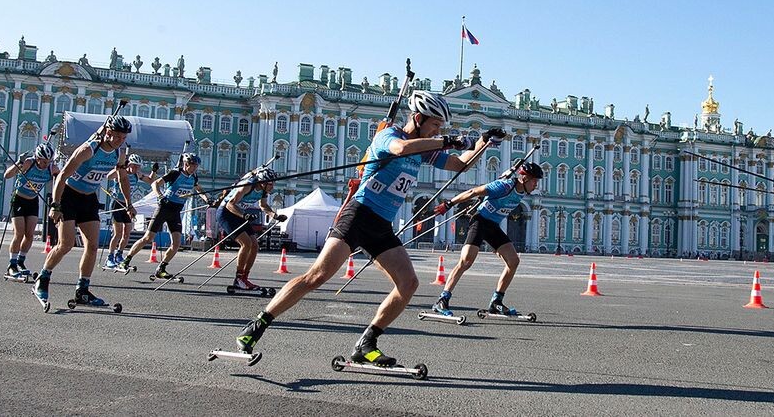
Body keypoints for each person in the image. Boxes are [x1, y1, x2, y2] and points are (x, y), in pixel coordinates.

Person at [232, 90, 503, 365]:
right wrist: (445, 141)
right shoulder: (390, 136)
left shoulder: (426, 150)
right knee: (316, 277)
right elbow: (400, 149)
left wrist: (482, 142)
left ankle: (367, 342)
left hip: (381, 225)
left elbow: (460, 164)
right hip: (358, 215)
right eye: (435, 125)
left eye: (440, 128)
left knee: (408, 283)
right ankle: (256, 326)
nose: (438, 130)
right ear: (419, 119)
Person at [34, 116, 132, 308]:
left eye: (124, 137)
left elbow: (122, 177)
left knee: (93, 246)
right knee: (66, 244)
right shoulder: (88, 149)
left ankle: (82, 290)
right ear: (108, 132)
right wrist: (55, 205)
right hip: (69, 196)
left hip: (88, 199)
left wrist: (128, 202)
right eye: (117, 136)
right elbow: (62, 176)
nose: (121, 141)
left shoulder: (119, 153)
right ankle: (43, 279)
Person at [431, 162, 542, 317]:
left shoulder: (521, 189)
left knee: (513, 261)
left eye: (537, 181)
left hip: (493, 227)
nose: (536, 185)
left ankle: (496, 302)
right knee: (466, 261)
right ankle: (442, 300)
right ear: (523, 178)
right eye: (534, 181)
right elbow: (473, 191)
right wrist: (449, 203)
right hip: (480, 221)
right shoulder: (504, 186)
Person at [119, 153, 207, 279]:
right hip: (164, 208)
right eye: (192, 165)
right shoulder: (175, 173)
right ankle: (126, 260)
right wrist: (160, 196)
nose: (194, 168)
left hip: (175, 212)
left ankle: (161, 268)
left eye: (196, 166)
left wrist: (207, 200)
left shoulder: (194, 177)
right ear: (186, 164)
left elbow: (199, 190)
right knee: (147, 238)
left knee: (176, 243)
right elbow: (155, 184)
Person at [216, 165, 282, 292]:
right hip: (227, 213)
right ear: (262, 182)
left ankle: (244, 278)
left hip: (240, 214)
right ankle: (239, 278)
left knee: (255, 245)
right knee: (246, 244)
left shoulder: (263, 191)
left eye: (273, 183)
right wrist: (244, 215)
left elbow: (263, 206)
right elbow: (230, 204)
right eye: (270, 184)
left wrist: (275, 215)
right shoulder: (247, 186)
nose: (272, 186)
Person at [2, 143, 59, 279]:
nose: (46, 164)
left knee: (30, 234)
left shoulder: (52, 168)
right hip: (19, 200)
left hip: (33, 201)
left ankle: (21, 261)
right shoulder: (29, 163)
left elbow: (60, 181)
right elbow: (7, 175)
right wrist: (19, 163)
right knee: (19, 233)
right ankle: (12, 264)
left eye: (49, 161)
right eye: (44, 161)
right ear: (37, 158)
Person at [102, 155, 155, 268]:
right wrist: (118, 167)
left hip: (128, 206)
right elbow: (109, 176)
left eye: (138, 167)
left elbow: (150, 180)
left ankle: (119, 254)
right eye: (134, 166)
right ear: (129, 164)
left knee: (127, 233)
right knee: (118, 233)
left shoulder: (137, 174)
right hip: (117, 203)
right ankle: (110, 257)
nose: (136, 169)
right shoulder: (122, 172)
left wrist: (154, 171)